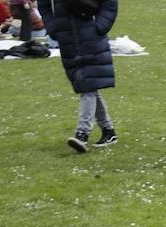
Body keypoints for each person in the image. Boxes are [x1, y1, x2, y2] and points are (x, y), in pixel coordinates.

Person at [35, 0, 118, 154]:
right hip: (68, 39)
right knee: (88, 84)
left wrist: (100, 26)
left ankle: (82, 134)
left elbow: (110, 3)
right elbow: (43, 4)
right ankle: (109, 131)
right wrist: (53, 28)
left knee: (87, 86)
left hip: (91, 37)